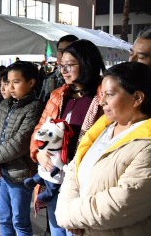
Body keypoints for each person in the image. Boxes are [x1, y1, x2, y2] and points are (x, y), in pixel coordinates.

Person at [56, 61, 151, 235]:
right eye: (101, 94)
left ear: (137, 98)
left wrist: (67, 214)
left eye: (109, 95)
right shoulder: (105, 128)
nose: (101, 102)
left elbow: (120, 204)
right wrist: (70, 214)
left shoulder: (146, 145)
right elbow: (73, 172)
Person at [30, 39, 105, 236]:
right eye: (61, 65)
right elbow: (40, 128)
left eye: (69, 65)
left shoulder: (103, 97)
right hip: (55, 178)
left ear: (87, 63)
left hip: (83, 182)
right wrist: (39, 153)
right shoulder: (59, 95)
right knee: (57, 231)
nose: (63, 70)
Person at [0, 61, 44, 236]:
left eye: (16, 82)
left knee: (20, 221)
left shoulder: (35, 107)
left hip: (20, 174)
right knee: (3, 218)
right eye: (8, 82)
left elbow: (20, 144)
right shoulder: (4, 105)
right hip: (1, 172)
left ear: (31, 83)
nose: (10, 87)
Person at [39, 35, 78, 102]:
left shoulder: (81, 79)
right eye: (60, 51)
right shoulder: (49, 79)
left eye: (67, 50)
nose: (63, 54)